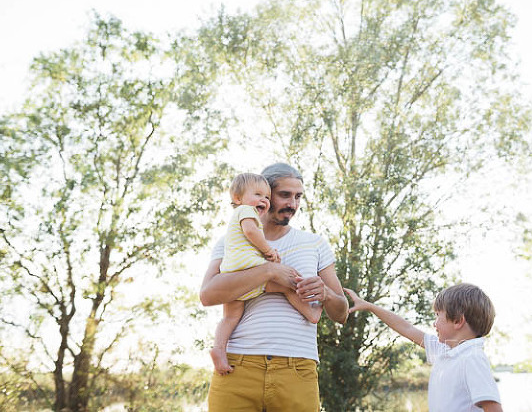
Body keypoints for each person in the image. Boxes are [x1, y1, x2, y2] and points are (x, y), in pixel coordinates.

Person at [200, 163, 349, 412]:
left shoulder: (314, 244)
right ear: (265, 195)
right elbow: (207, 295)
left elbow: (342, 313)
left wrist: (325, 293)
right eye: (284, 195)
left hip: (297, 368)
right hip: (237, 368)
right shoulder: (231, 240)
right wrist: (268, 271)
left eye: (298, 196)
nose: (293, 203)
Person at [210, 172, 322, 376]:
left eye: (267, 197)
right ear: (237, 198)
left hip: (234, 274)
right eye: (259, 194)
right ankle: (311, 313)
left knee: (230, 317)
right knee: (287, 283)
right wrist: (268, 251)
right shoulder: (246, 211)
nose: (264, 200)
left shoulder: (237, 217)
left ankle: (218, 348)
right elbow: (252, 233)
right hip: (247, 267)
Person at [344, 284, 503, 412]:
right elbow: (406, 329)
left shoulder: (472, 357)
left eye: (437, 315)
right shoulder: (444, 350)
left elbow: (493, 407)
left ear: (457, 321)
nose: (434, 323)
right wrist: (370, 307)